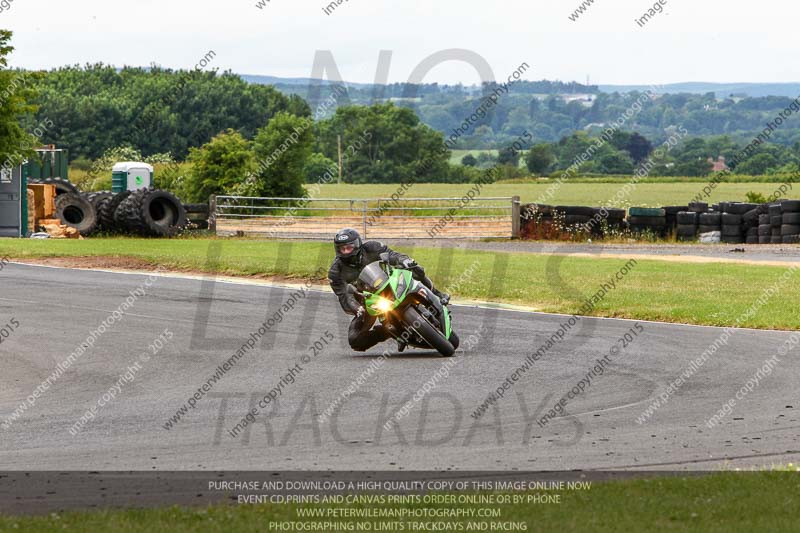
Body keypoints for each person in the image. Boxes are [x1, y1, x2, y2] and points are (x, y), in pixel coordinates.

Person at [328, 228, 450, 352]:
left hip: (389, 283)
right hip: (369, 302)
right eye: (342, 249)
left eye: (349, 247)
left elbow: (392, 255)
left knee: (416, 270)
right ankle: (389, 332)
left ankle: (437, 294)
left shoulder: (372, 247)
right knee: (355, 340)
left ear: (357, 244)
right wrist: (357, 308)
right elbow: (344, 297)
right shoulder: (335, 272)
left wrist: (404, 260)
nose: (346, 251)